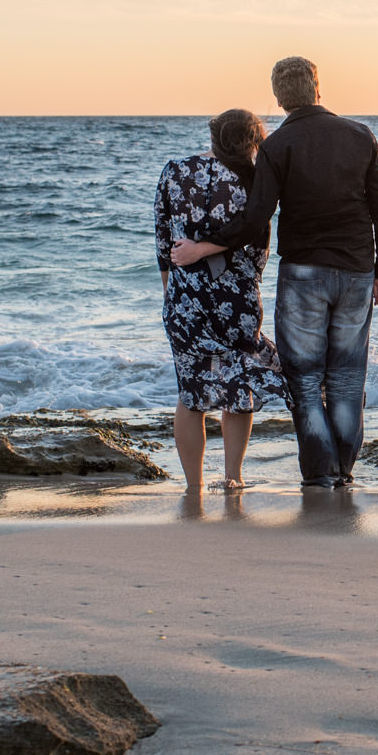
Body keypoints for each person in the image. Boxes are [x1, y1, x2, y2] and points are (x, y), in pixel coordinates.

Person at [171, 56, 378, 489]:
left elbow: (255, 220)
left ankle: (319, 472)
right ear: (318, 87)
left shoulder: (277, 147)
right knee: (349, 377)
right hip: (355, 271)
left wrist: (202, 247)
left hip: (302, 276)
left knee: (306, 378)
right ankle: (344, 471)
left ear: (279, 98)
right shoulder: (360, 136)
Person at [153, 109, 286, 495]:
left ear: (213, 137)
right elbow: (258, 240)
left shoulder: (174, 172)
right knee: (237, 386)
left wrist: (171, 290)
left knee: (191, 393)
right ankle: (233, 477)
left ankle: (193, 486)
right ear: (253, 142)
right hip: (237, 299)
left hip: (184, 299)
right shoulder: (253, 180)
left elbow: (164, 243)